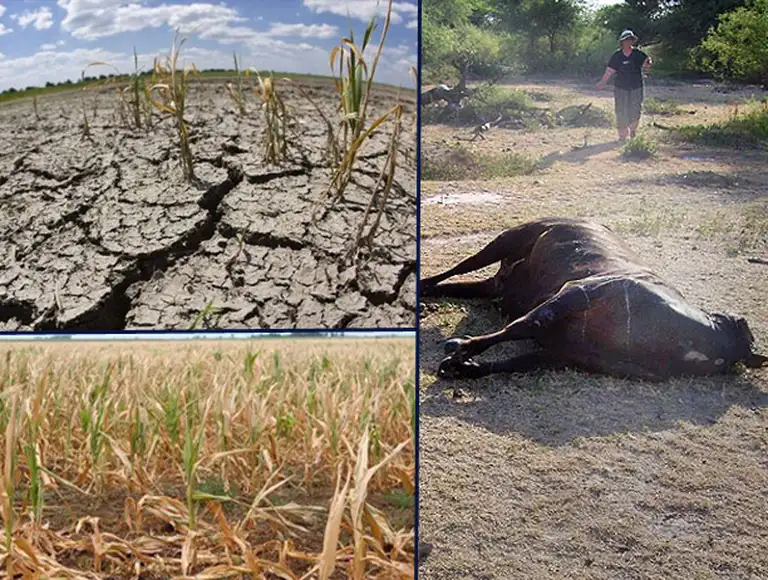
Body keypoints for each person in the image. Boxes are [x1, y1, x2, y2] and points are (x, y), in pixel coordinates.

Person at [596, 30, 652, 141]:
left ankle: (633, 132)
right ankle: (622, 136)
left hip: (636, 87)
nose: (628, 42)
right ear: (622, 42)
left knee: (635, 109)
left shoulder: (638, 54)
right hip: (620, 87)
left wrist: (648, 62)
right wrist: (602, 82)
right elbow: (610, 70)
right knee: (620, 110)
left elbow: (646, 64)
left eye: (630, 39)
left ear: (632, 41)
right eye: (626, 40)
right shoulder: (617, 56)